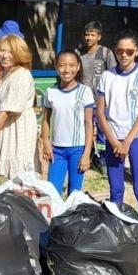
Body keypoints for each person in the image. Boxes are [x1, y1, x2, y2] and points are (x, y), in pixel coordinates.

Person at [96, 30, 138, 257]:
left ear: (137, 52)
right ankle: (117, 235)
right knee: (116, 190)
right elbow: (100, 112)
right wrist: (113, 140)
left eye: (129, 51)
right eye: (119, 51)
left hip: (137, 138)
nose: (124, 55)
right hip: (113, 138)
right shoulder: (107, 76)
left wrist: (128, 141)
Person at [0, 35, 37, 178]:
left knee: (16, 172)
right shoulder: (6, 73)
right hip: (4, 126)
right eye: (2, 51)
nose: (5, 55)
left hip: (17, 127)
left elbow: (5, 111)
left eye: (10, 51)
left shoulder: (21, 75)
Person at [41, 50, 95, 196]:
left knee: (75, 193)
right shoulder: (51, 92)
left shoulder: (85, 91)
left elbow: (89, 123)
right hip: (57, 150)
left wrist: (86, 153)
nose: (67, 69)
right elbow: (45, 120)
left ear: (78, 67)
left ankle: (72, 218)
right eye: (62, 65)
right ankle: (56, 219)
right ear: (57, 67)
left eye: (71, 65)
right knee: (53, 192)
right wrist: (46, 142)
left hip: (77, 150)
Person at [77, 21, 117, 173]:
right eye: (87, 34)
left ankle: (102, 161)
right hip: (82, 102)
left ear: (99, 37)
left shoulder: (106, 53)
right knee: (83, 130)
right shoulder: (79, 53)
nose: (89, 37)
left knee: (102, 133)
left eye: (92, 35)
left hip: (101, 103)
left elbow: (113, 77)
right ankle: (84, 157)